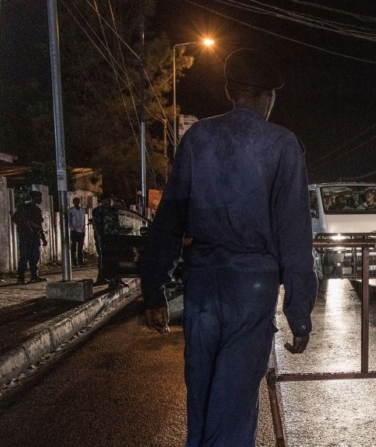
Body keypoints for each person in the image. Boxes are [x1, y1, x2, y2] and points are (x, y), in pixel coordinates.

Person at [140, 48, 317, 446]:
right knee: (234, 407)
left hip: (202, 286)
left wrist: (154, 290)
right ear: (268, 96)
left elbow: (169, 218)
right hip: (252, 290)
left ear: (228, 91)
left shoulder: (197, 139)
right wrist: (299, 312)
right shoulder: (283, 145)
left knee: (201, 403)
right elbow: (294, 237)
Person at [12, 190, 48, 285]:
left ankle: (33, 276)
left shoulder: (36, 209)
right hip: (25, 236)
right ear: (33, 198)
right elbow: (15, 219)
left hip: (33, 236)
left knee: (34, 257)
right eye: (38, 197)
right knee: (24, 257)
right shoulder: (24, 208)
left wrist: (43, 237)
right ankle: (21, 278)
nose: (40, 199)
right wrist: (24, 225)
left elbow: (39, 225)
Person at [90, 196, 112, 285]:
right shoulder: (97, 211)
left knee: (107, 258)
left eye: (110, 200)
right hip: (101, 237)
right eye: (107, 200)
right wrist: (98, 236)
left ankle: (106, 277)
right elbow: (95, 224)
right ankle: (101, 277)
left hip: (108, 237)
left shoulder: (109, 210)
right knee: (102, 257)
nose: (108, 202)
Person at [68, 197, 86, 267]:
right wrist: (72, 229)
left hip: (81, 230)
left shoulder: (82, 210)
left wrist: (83, 229)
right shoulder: (71, 210)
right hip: (74, 231)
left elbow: (83, 220)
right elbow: (69, 220)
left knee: (80, 247)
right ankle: (74, 262)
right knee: (73, 246)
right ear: (73, 202)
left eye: (78, 201)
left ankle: (81, 261)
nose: (77, 203)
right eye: (75, 201)